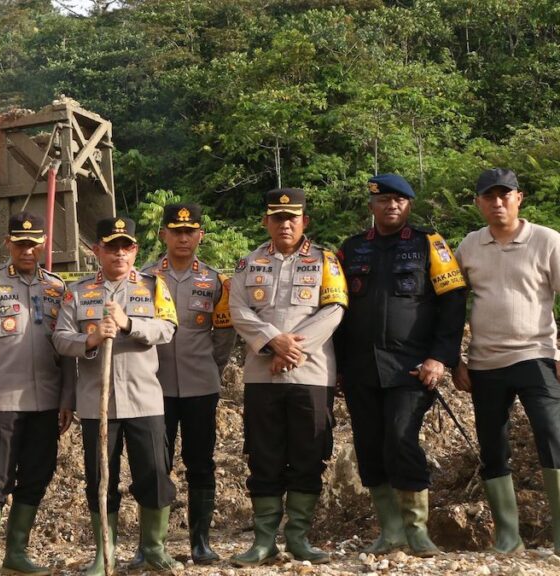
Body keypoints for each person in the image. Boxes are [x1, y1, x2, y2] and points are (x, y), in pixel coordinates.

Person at [335, 174, 467, 558]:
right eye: (384, 200)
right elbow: (339, 311)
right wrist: (339, 367)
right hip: (361, 368)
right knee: (369, 445)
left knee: (400, 437)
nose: (391, 206)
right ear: (372, 206)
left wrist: (440, 357)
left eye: (399, 200)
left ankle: (417, 530)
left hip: (412, 366)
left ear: (408, 206)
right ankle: (390, 530)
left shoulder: (430, 244)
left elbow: (454, 301)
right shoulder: (352, 248)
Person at [52, 216, 181, 575]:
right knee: (100, 479)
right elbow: (60, 338)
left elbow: (168, 328)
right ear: (97, 251)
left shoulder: (154, 286)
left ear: (135, 250)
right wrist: (90, 340)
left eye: (126, 247)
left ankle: (153, 548)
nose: (119, 254)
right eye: (111, 247)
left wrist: (129, 324)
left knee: (154, 474)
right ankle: (103, 553)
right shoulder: (77, 293)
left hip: (145, 401)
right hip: (98, 404)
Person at [227, 188, 347, 567]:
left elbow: (334, 309)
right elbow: (238, 309)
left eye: (292, 217)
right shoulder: (248, 263)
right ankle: (263, 541)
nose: (285, 223)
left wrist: (293, 351)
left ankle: (299, 538)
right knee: (263, 455)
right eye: (277, 217)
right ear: (267, 221)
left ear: (304, 221)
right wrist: (272, 343)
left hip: (311, 375)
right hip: (262, 377)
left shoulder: (326, 261)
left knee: (309, 453)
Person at [453, 168, 560, 555]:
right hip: (484, 362)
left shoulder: (548, 241)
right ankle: (507, 537)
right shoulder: (469, 245)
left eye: (504, 195)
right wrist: (454, 360)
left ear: (519, 197)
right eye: (489, 197)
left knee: (553, 435)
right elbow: (450, 303)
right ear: (479, 203)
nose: (497, 203)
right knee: (492, 446)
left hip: (537, 356)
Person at [0, 212, 74, 576]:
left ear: (43, 244)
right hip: (3, 402)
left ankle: (16, 553)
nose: (28, 250)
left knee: (36, 476)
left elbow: (67, 350)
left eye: (34, 243)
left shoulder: (57, 288)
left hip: (46, 402)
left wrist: (67, 399)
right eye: (21, 243)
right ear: (8, 243)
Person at [137, 203, 235, 565]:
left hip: (200, 385)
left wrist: (212, 367)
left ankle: (201, 542)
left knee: (200, 463)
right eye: (175, 231)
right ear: (163, 234)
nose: (182, 237)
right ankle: (151, 544)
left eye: (189, 231)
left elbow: (224, 335)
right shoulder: (145, 279)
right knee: (153, 465)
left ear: (200, 236)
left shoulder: (214, 281)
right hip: (152, 387)